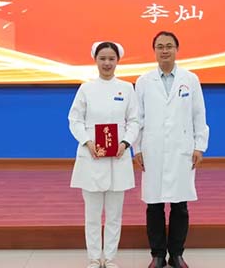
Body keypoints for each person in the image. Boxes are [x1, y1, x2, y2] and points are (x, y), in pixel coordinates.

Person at [134, 31, 210, 268]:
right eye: (160, 46)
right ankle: (157, 255)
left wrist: (199, 146)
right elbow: (137, 118)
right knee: (154, 205)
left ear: (177, 49)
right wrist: (137, 148)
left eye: (169, 46)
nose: (164, 50)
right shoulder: (144, 81)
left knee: (180, 205)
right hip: (152, 149)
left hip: (181, 149)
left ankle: (176, 254)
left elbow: (199, 114)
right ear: (154, 50)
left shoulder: (190, 79)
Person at [68, 41, 140, 268]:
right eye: (103, 59)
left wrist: (126, 142)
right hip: (92, 156)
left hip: (118, 156)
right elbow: (74, 120)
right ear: (95, 60)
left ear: (118, 61)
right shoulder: (86, 88)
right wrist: (87, 141)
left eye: (111, 59)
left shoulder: (127, 88)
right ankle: (93, 258)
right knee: (92, 214)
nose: (107, 63)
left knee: (114, 215)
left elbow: (135, 120)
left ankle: (109, 258)